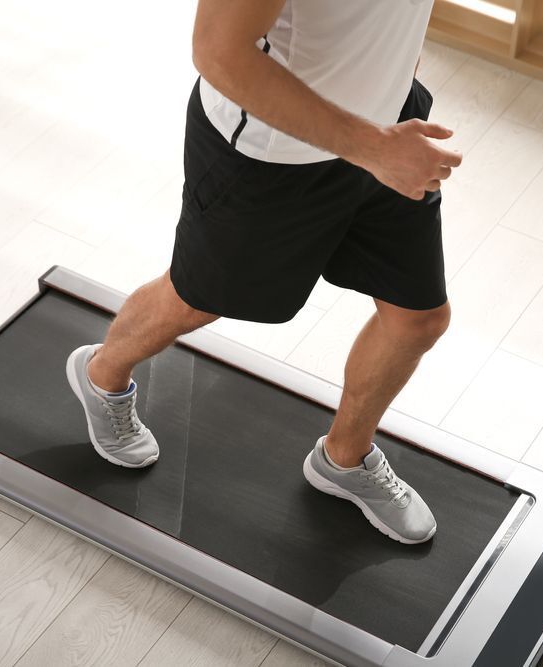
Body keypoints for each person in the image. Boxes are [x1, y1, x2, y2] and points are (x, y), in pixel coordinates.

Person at [66, 0, 462, 545]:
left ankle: (343, 461)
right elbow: (217, 50)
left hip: (389, 130)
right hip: (270, 155)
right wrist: (370, 146)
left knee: (419, 319)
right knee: (194, 300)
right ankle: (101, 377)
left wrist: (389, 80)